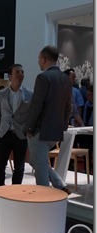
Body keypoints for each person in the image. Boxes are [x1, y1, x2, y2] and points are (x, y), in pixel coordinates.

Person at [25, 45, 72, 193]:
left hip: (40, 130)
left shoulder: (43, 77)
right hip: (55, 132)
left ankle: (45, 198)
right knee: (37, 161)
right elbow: (68, 107)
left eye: (39, 58)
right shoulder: (65, 79)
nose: (38, 61)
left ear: (44, 59)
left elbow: (36, 105)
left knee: (39, 166)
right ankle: (61, 186)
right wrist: (63, 126)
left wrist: (29, 128)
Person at [0, 64, 33, 187]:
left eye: (22, 72)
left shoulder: (29, 94)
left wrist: (29, 131)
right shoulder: (1, 94)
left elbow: (33, 115)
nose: (21, 75)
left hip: (21, 136)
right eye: (17, 72)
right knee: (0, 166)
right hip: (4, 134)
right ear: (10, 76)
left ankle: (15, 193)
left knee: (19, 167)